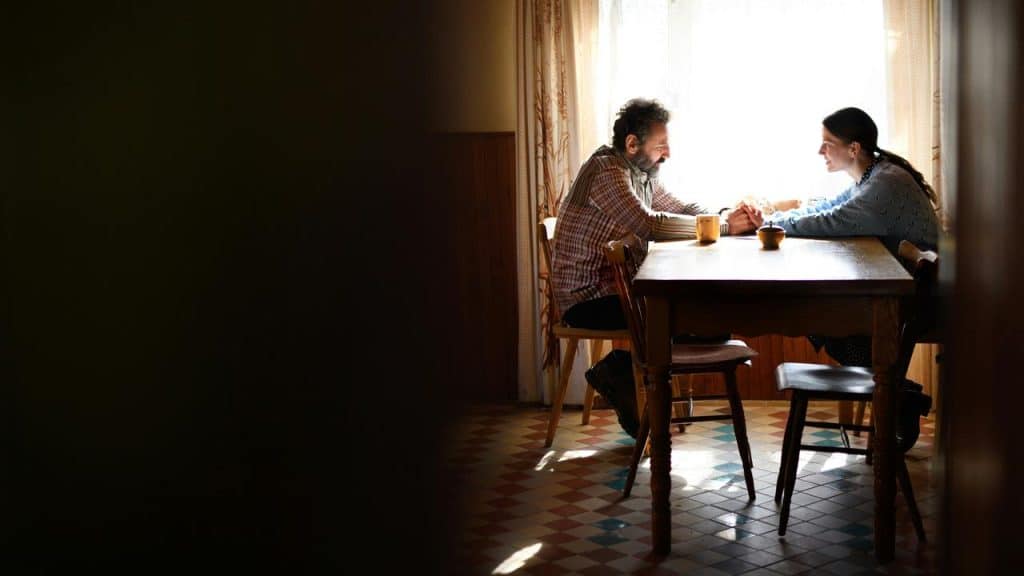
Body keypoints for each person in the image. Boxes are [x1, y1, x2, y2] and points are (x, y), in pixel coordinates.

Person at [550, 98, 760, 436]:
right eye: (661, 145)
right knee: (697, 319)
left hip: (619, 290)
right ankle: (622, 375)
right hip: (586, 301)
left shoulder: (640, 173)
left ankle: (630, 378)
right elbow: (650, 224)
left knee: (712, 322)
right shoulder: (607, 170)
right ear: (632, 144)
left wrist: (723, 216)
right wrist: (722, 229)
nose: (668, 154)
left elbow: (680, 207)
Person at [767, 107, 941, 368]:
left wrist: (769, 224)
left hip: (919, 303)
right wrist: (770, 220)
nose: (820, 151)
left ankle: (880, 382)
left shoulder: (885, 183)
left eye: (827, 144)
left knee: (816, 308)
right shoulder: (873, 175)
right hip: (904, 290)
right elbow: (826, 208)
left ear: (854, 149)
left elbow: (832, 220)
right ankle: (879, 382)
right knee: (821, 307)